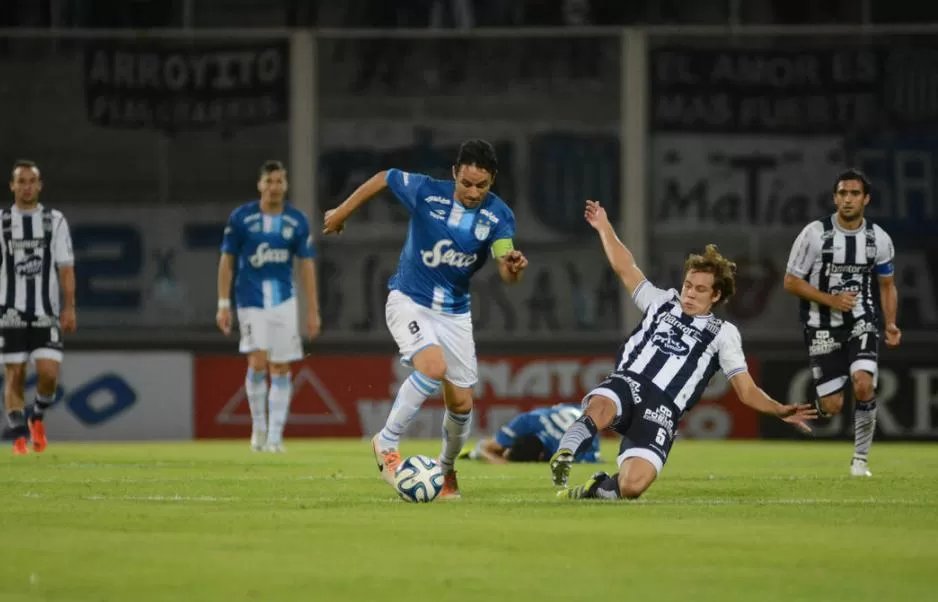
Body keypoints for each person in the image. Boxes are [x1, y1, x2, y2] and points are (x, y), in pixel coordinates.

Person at [552, 200, 816, 501]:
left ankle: (597, 487)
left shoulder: (723, 334)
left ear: (715, 295)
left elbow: (746, 390)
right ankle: (567, 450)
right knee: (602, 404)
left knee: (632, 486)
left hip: (663, 408)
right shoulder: (661, 301)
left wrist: (778, 409)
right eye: (688, 285)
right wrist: (604, 226)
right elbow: (626, 267)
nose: (690, 293)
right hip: (629, 382)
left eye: (700, 289)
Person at [323, 139, 528, 499]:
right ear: (454, 174)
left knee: (462, 405)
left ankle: (447, 470)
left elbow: (505, 268)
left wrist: (513, 268)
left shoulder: (499, 216)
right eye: (466, 183)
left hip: (455, 314)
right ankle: (386, 442)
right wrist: (342, 212)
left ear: (492, 180)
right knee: (432, 368)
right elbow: (384, 177)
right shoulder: (426, 192)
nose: (472, 192)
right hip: (409, 301)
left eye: (481, 185)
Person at [783, 169, 900, 477]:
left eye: (855, 194)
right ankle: (820, 407)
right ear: (834, 198)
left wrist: (890, 324)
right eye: (843, 194)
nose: (848, 199)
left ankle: (860, 461)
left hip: (863, 320)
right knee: (833, 406)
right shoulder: (813, 234)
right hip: (821, 325)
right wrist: (831, 300)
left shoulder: (879, 239)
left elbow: (887, 285)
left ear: (866, 199)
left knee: (863, 384)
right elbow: (791, 281)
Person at [0, 160, 76, 455]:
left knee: (49, 375)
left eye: (32, 181)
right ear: (12, 186)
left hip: (45, 311)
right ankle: (18, 437)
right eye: (21, 181)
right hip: (11, 310)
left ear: (39, 185)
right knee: (14, 373)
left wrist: (70, 307)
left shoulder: (54, 221)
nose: (27, 186)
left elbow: (66, 268)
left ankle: (36, 416)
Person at [216, 160, 321, 453]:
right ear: (260, 184)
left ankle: (275, 436)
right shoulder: (241, 219)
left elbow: (307, 266)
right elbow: (227, 260)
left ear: (286, 185)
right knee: (258, 363)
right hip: (250, 301)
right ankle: (259, 427)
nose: (274, 187)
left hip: (285, 302)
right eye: (269, 181)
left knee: (281, 367)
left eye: (279, 181)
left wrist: (312, 310)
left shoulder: (296, 221)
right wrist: (223, 304)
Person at [460, 403, 602, 464]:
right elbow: (594, 457)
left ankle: (472, 454)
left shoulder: (566, 449)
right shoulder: (526, 422)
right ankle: (472, 453)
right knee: (496, 445)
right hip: (572, 412)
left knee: (495, 447)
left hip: (577, 414)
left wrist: (490, 457)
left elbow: (484, 447)